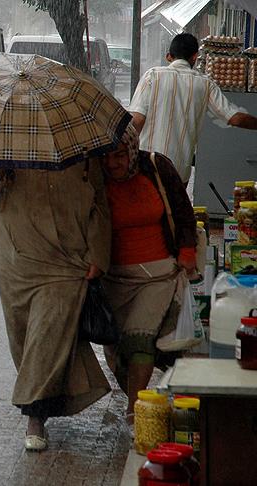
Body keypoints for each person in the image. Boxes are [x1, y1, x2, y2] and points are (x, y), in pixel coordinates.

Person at [0, 159, 112, 452]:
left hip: (66, 261)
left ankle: (34, 415)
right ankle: (48, 398)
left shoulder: (80, 145)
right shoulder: (7, 143)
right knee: (26, 339)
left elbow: (99, 202)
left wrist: (99, 253)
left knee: (47, 332)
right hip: (18, 260)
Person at [99, 125, 197, 422]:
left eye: (119, 155)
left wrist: (187, 251)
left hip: (158, 276)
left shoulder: (156, 167)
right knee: (116, 348)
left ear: (131, 151)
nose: (113, 163)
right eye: (106, 157)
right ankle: (136, 396)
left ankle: (134, 411)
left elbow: (183, 211)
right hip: (114, 278)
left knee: (140, 339)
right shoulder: (93, 179)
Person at [129, 33, 257, 184]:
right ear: (195, 57)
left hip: (148, 168)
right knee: (175, 208)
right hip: (178, 172)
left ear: (169, 56)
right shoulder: (205, 83)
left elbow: (136, 121)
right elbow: (235, 118)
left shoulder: (152, 76)